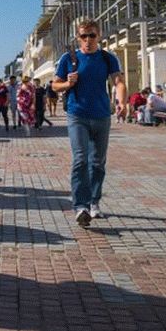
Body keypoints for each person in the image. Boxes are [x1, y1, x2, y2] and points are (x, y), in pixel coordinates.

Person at [52, 18, 126, 227]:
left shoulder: (107, 58)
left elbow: (118, 82)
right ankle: (80, 206)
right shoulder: (69, 58)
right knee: (80, 160)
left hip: (102, 115)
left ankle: (94, 202)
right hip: (77, 115)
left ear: (98, 36)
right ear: (78, 37)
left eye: (92, 35)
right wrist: (68, 83)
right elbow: (55, 85)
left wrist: (122, 102)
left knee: (98, 163)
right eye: (83, 36)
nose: (87, 40)